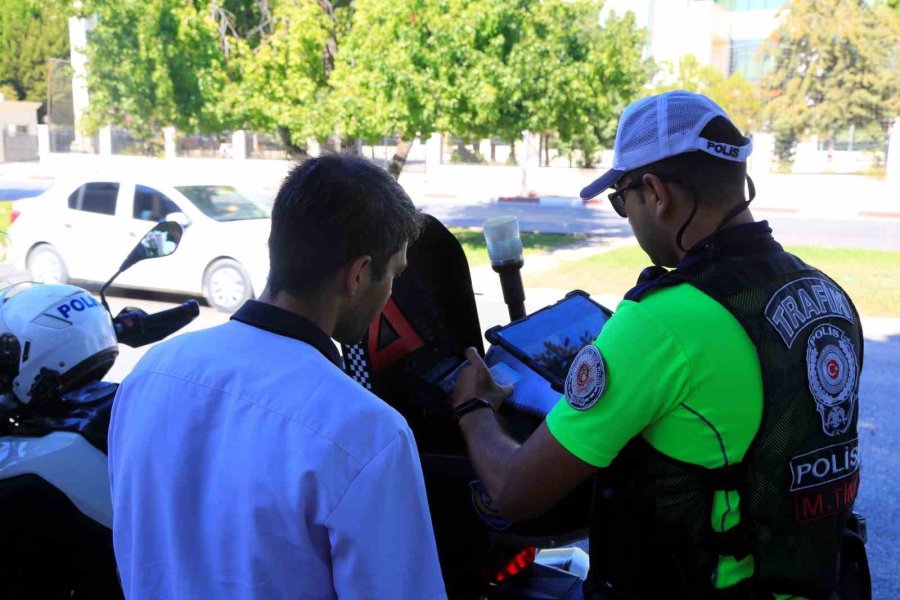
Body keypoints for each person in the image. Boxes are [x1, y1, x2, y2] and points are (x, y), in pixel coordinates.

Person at [451, 91, 863, 599]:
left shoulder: (661, 322)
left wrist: (473, 405)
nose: (626, 215)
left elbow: (515, 492)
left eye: (621, 199)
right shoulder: (827, 295)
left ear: (655, 193)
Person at [109, 155, 447, 599]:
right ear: (360, 274)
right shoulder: (367, 434)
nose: (391, 292)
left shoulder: (150, 373)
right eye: (395, 274)